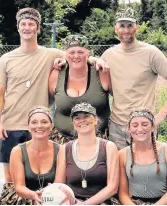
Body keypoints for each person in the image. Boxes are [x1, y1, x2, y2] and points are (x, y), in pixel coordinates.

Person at [0, 8, 65, 184]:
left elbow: (81, 56)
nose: (27, 27)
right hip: (12, 124)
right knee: (11, 179)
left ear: (38, 28)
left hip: (39, 126)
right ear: (18, 28)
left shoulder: (51, 54)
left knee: (40, 178)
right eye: (23, 24)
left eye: (31, 24)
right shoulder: (6, 59)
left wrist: (97, 61)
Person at [100, 7, 167, 149]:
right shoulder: (108, 55)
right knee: (118, 168)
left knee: (145, 170)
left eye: (130, 25)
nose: (126, 30)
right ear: (115, 28)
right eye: (122, 25)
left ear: (137, 27)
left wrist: (161, 115)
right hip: (117, 127)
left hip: (143, 126)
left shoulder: (151, 53)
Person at [49, 35, 111, 144]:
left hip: (98, 140)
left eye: (80, 52)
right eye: (72, 53)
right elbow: (48, 99)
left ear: (88, 53)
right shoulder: (57, 73)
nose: (76, 56)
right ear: (66, 55)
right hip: (62, 140)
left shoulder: (100, 72)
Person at [54, 102, 119, 205]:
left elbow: (113, 187)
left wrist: (85, 204)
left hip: (103, 202)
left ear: (96, 120)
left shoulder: (108, 147)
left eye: (86, 116)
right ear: (73, 124)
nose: (82, 120)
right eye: (77, 118)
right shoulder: (65, 149)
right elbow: (59, 185)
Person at [0, 106, 60, 205]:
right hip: (24, 198)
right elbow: (19, 187)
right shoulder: (17, 151)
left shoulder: (60, 150)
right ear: (28, 127)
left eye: (44, 122)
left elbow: (59, 184)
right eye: (34, 122)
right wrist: (34, 195)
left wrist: (45, 197)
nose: (39, 126)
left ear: (52, 125)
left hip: (53, 198)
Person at [119, 109, 167, 205]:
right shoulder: (122, 154)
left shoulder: (165, 150)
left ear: (153, 127)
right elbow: (123, 193)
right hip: (133, 202)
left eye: (145, 124)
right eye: (135, 125)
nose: (140, 129)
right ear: (129, 129)